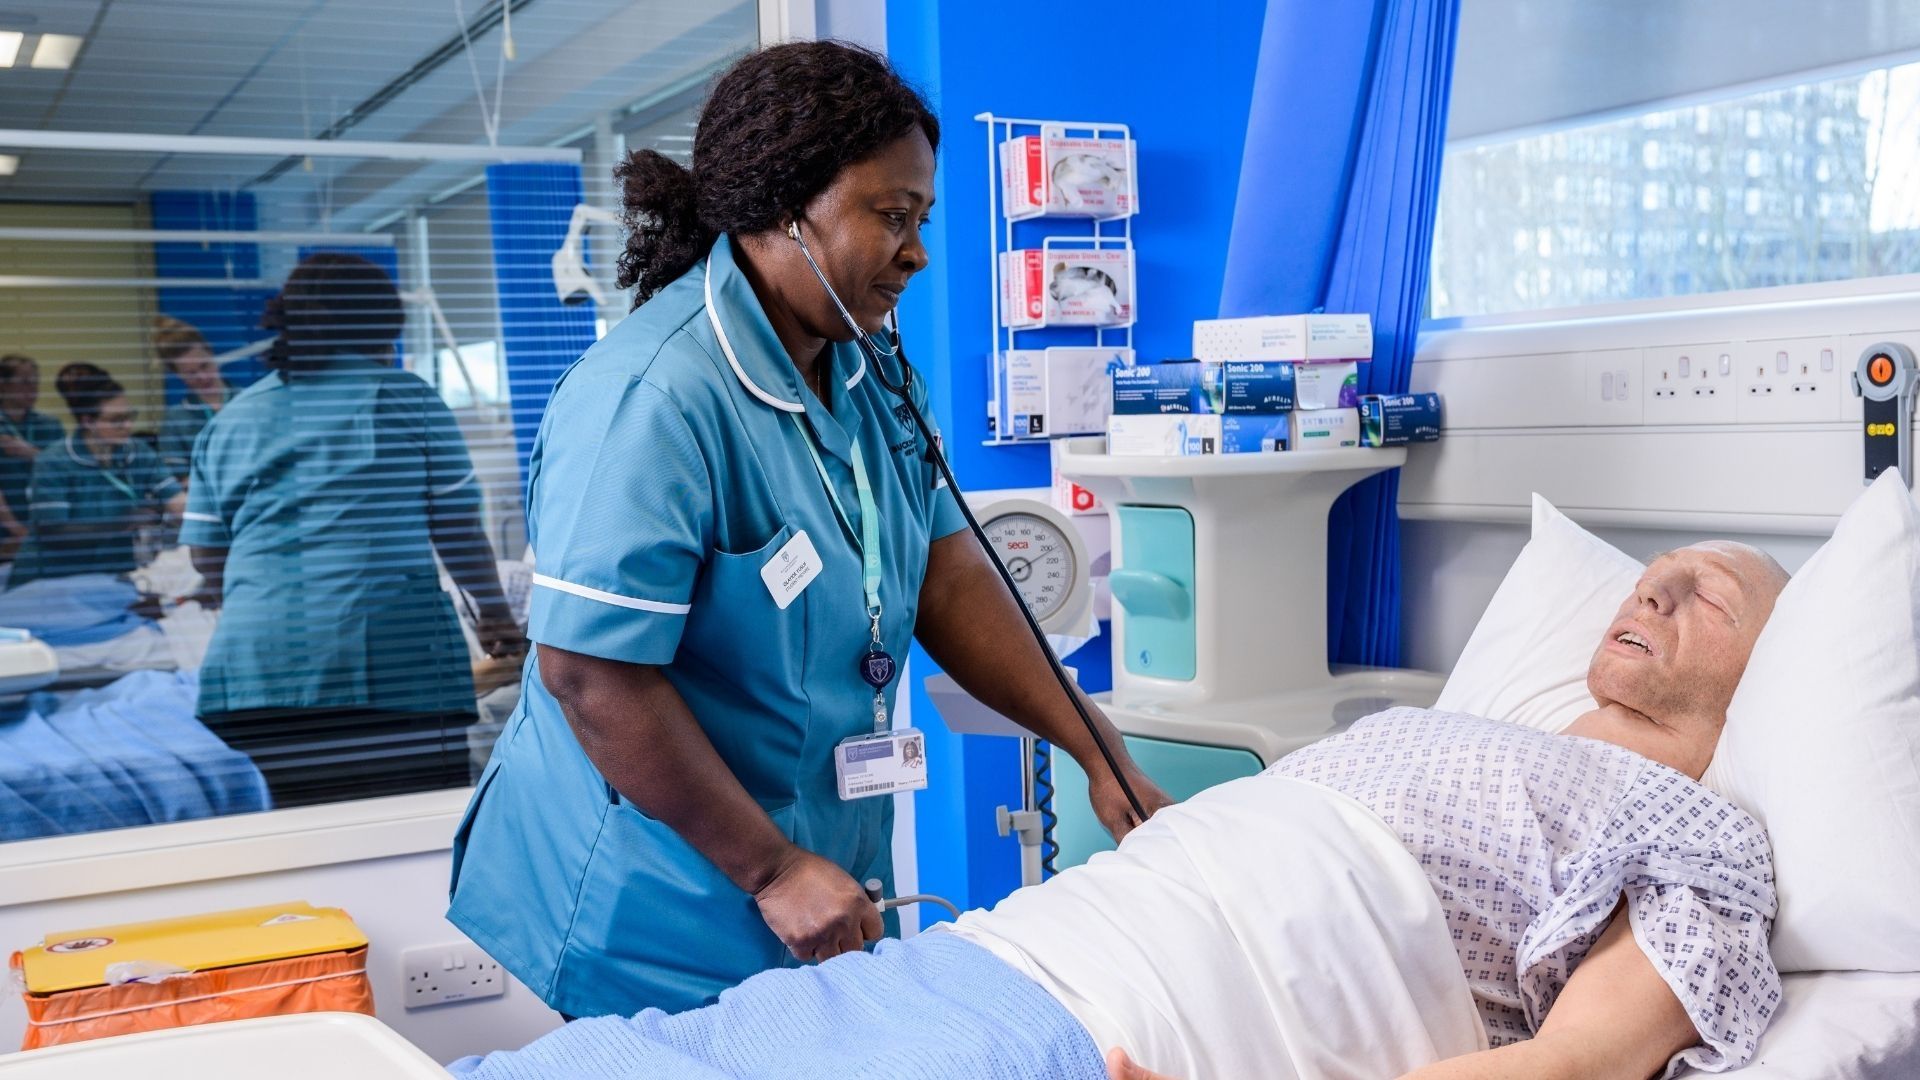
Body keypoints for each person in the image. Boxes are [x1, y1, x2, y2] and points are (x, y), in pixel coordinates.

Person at [448, 541, 1791, 1080]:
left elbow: (1568, 1071)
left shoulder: (1700, 837)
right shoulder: (1449, 724)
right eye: (1650, 578)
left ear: (1769, 670)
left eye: (1708, 600)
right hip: (990, 961)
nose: (1653, 597)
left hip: (1132, 1040)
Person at [445, 39, 1171, 1022]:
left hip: (812, 851)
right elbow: (592, 674)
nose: (917, 252)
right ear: (785, 210)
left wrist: (1098, 749)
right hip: (654, 896)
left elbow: (947, 579)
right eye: (892, 216)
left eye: (922, 218)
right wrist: (775, 867)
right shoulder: (651, 401)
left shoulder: (868, 371)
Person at [182, 253, 523, 809]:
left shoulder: (232, 419)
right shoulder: (407, 399)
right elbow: (458, 531)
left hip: (255, 674)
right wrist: (496, 615)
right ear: (382, 325)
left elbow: (206, 557)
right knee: (405, 836)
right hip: (387, 669)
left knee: (301, 840)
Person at [12, 364, 182, 585]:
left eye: (130, 416)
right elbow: (53, 532)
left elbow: (176, 500)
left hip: (111, 575)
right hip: (54, 581)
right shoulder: (55, 462)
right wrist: (124, 522)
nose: (128, 425)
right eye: (116, 420)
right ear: (88, 421)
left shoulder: (138, 452)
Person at [0, 354, 67, 562]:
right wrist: (18, 531)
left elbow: (68, 472)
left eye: (35, 382)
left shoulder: (50, 424)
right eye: (24, 382)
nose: (33, 388)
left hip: (48, 527)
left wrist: (33, 454)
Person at [152, 316, 230, 482]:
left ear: (211, 353)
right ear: (177, 374)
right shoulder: (175, 420)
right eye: (191, 373)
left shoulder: (249, 401)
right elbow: (180, 479)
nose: (202, 377)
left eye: (204, 365)